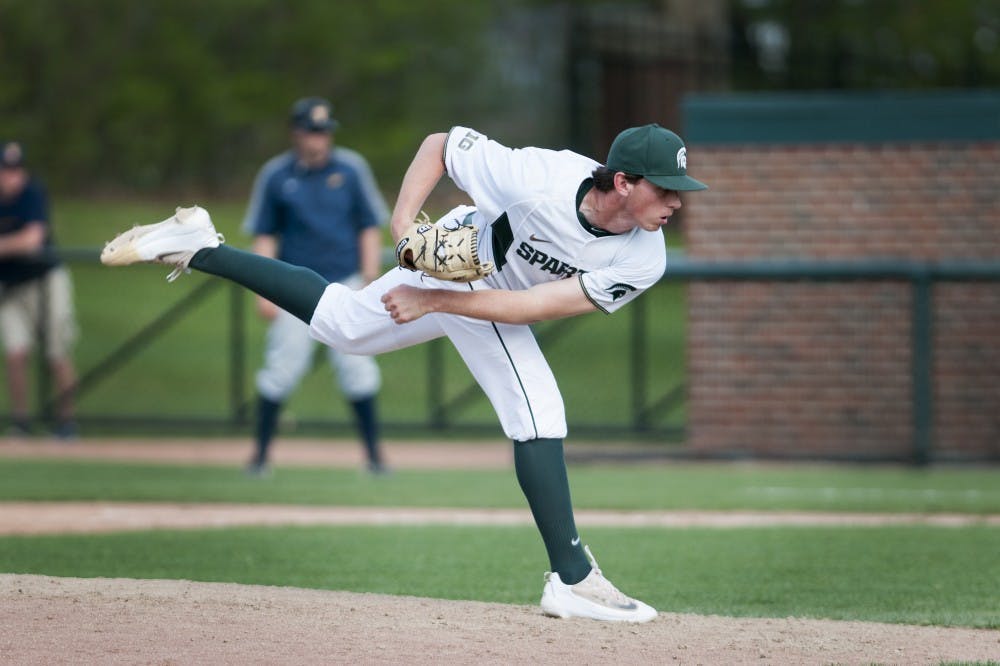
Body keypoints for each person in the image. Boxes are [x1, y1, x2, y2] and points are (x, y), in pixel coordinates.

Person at [100, 123, 708, 623]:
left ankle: (200, 245)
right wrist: (404, 228)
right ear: (623, 182)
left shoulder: (643, 256)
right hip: (457, 255)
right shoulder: (539, 177)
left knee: (349, 328)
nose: (676, 203)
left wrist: (435, 301)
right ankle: (573, 579)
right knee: (532, 409)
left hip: (479, 293)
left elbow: (538, 307)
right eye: (667, 189)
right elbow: (440, 145)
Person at [243, 97, 389, 477]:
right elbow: (265, 235)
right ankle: (259, 458)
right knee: (282, 369)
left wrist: (369, 280)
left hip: (345, 281)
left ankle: (375, 458)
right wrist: (264, 291)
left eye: (324, 131)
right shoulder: (276, 175)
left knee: (358, 369)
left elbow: (369, 226)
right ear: (296, 133)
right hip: (294, 288)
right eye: (312, 130)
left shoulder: (351, 168)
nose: (320, 138)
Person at [0, 141, 78, 438]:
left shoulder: (32, 193)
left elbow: (32, 240)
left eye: (16, 170)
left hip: (45, 282)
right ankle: (21, 422)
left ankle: (66, 423)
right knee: (15, 353)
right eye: (6, 170)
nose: (12, 177)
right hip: (9, 289)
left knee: (57, 352)